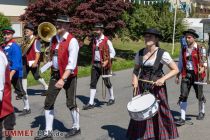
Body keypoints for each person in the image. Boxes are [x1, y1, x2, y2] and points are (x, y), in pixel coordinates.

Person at [127, 28, 179, 140]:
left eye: (150, 36)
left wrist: (163, 79)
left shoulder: (162, 53)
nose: (147, 38)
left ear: (156, 39)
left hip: (157, 87)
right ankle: (144, 136)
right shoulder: (140, 53)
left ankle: (162, 135)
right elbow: (136, 70)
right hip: (142, 85)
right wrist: (134, 79)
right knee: (141, 110)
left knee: (160, 110)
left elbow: (175, 69)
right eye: (146, 36)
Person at [34, 15, 80, 140]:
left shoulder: (72, 41)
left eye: (61, 23)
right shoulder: (53, 39)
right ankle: (48, 132)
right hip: (55, 74)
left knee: (71, 103)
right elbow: (53, 55)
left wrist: (63, 79)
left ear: (67, 26)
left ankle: (76, 127)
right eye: (57, 23)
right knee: (48, 102)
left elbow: (71, 64)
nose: (57, 25)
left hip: (69, 76)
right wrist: (48, 62)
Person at [175, 29, 207, 126]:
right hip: (186, 74)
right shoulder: (183, 49)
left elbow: (205, 61)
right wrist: (177, 75)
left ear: (194, 38)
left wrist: (204, 67)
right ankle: (182, 118)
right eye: (186, 37)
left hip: (198, 75)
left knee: (199, 95)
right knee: (183, 95)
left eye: (189, 37)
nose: (187, 39)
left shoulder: (201, 48)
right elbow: (180, 63)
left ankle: (202, 111)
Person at [83, 23, 116, 110]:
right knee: (93, 83)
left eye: (98, 29)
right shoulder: (94, 40)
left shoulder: (106, 40)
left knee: (106, 82)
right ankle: (91, 102)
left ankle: (112, 97)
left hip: (104, 65)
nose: (96, 31)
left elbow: (113, 53)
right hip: (95, 64)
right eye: (95, 29)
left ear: (102, 30)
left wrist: (107, 61)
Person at [1, 27, 31, 116]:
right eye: (5, 34)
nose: (6, 36)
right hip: (4, 73)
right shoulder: (2, 46)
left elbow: (17, 64)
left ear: (12, 35)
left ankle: (27, 107)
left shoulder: (15, 47)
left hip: (15, 74)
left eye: (8, 34)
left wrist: (9, 77)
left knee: (20, 91)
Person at [22, 23, 48, 96]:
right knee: (23, 75)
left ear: (32, 32)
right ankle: (24, 92)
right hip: (25, 61)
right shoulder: (26, 40)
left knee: (36, 76)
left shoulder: (36, 41)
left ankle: (46, 87)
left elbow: (38, 53)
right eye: (25, 31)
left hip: (33, 61)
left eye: (27, 31)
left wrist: (36, 62)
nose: (25, 32)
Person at [0, 45, 16, 140]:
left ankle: (8, 135)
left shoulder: (0, 55)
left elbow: (0, 77)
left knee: (6, 112)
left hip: (2, 91)